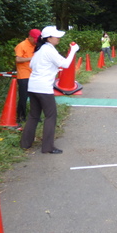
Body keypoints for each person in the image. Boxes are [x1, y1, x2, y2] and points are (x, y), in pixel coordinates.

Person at [20, 26, 79, 154]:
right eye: (56, 36)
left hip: (33, 86)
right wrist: (73, 50)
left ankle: (25, 143)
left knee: (33, 116)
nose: (58, 38)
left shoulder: (39, 50)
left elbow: (31, 65)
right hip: (44, 88)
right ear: (49, 38)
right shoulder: (49, 50)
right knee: (50, 116)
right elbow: (65, 64)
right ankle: (48, 147)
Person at [14, 28, 41, 124]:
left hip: (34, 74)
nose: (36, 41)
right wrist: (32, 58)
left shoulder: (37, 45)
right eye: (35, 39)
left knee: (36, 96)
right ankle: (21, 116)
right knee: (23, 97)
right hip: (24, 75)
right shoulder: (22, 45)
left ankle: (36, 116)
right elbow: (18, 59)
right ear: (29, 37)